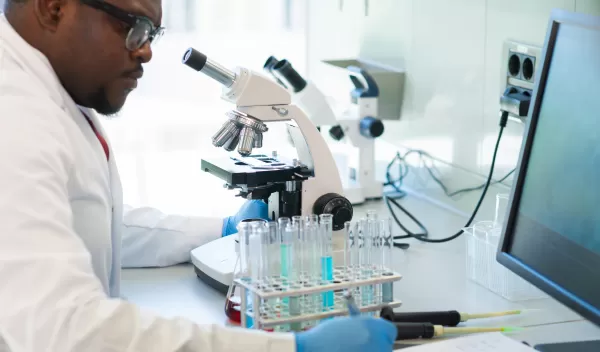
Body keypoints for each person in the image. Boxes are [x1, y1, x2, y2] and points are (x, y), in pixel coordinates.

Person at [0, 0, 397, 351]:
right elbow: (66, 330)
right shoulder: (16, 115)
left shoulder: (53, 91)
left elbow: (93, 223)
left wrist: (223, 228)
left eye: (153, 33)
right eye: (134, 26)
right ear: (54, 7)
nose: (147, 51)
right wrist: (289, 348)